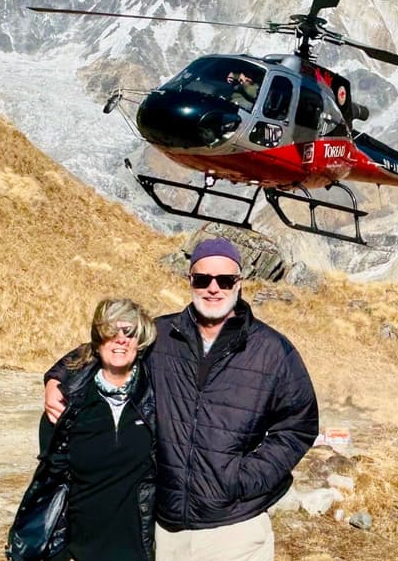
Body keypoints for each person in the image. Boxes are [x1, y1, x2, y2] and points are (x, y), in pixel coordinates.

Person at [44, 238, 318, 561]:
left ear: (239, 284)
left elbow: (300, 424)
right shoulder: (161, 336)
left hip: (236, 529)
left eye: (225, 280)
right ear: (190, 281)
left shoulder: (271, 350)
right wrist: (57, 376)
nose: (213, 288)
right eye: (203, 279)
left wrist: (244, 479)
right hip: (167, 531)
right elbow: (111, 347)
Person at [29, 298, 158, 561]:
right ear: (98, 340)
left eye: (130, 332)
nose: (121, 339)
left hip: (137, 551)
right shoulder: (67, 406)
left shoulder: (154, 399)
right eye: (112, 331)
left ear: (140, 341)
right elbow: (52, 482)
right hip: (77, 551)